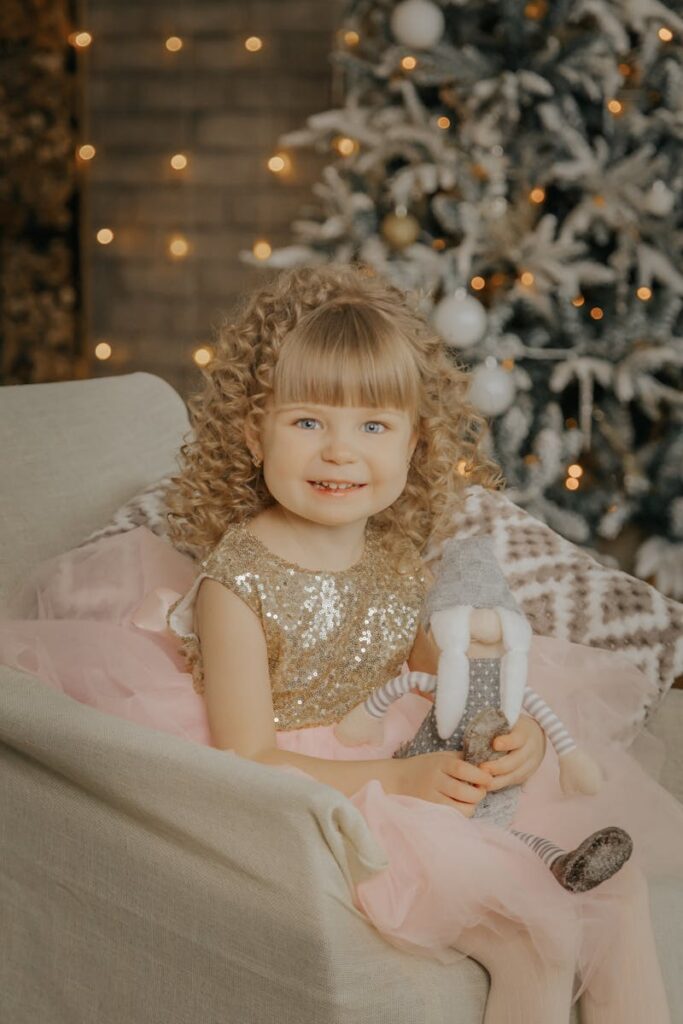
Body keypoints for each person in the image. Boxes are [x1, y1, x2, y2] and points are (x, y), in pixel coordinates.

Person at [2, 263, 681, 1023]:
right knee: (534, 939)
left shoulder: (396, 560)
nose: (339, 451)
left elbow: (443, 677)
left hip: (410, 762)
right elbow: (247, 758)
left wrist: (511, 738)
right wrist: (403, 781)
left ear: (413, 444)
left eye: (373, 426)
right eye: (307, 422)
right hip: (327, 799)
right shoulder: (236, 584)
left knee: (615, 887)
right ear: (253, 433)